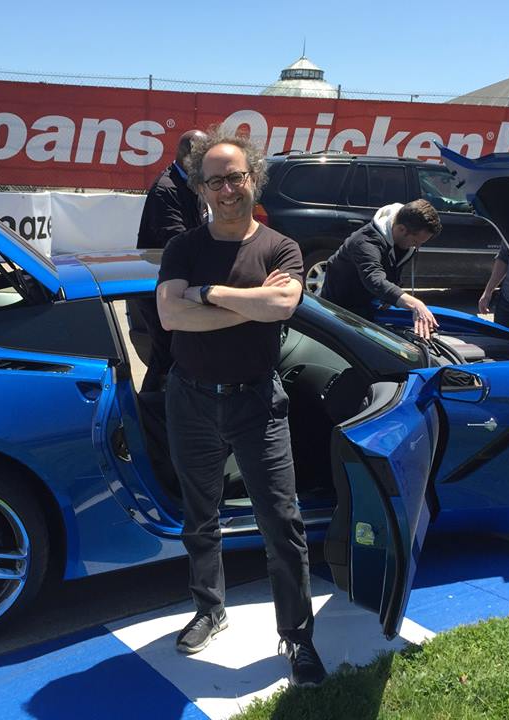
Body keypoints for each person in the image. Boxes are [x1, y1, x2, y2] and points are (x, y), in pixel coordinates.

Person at [155, 129, 326, 687]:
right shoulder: (184, 247)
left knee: (282, 523)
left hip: (257, 400)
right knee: (199, 516)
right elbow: (171, 317)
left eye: (236, 177)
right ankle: (209, 609)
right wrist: (253, 305)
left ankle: (297, 636)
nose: (227, 189)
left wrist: (207, 293)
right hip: (191, 399)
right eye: (215, 181)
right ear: (200, 188)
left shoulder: (280, 247)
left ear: (254, 177)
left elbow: (284, 303)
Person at [135, 129, 208, 392]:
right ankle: (149, 407)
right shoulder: (167, 189)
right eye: (203, 158)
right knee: (166, 355)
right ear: (188, 156)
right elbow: (175, 241)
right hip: (157, 287)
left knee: (168, 355)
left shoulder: (191, 183)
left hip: (175, 281)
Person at [319, 200, 443, 339]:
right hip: (337, 314)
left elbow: (392, 271)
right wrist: (415, 304)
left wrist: (390, 294)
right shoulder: (364, 242)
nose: (417, 247)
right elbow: (374, 279)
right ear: (401, 229)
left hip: (368, 310)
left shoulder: (403, 242)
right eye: (415, 241)